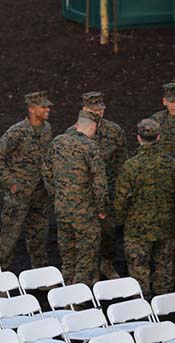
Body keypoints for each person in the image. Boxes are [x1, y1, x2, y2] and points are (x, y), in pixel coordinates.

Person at [113, 118, 175, 298]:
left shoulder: (130, 166)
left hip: (137, 228)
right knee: (165, 266)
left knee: (138, 267)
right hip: (165, 226)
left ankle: (142, 304)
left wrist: (118, 222)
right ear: (158, 137)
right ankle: (164, 303)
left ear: (138, 138)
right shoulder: (171, 163)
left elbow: (121, 199)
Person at [0, 91, 54, 270]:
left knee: (39, 235)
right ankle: (0, 276)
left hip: (40, 193)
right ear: (32, 109)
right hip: (19, 195)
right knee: (9, 237)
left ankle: (41, 273)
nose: (48, 110)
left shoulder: (47, 129)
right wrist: (11, 183)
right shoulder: (16, 132)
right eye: (44, 107)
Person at [43, 110, 107, 286]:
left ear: (77, 124)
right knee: (87, 252)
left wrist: (56, 195)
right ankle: (78, 295)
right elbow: (99, 183)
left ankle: (66, 288)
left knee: (67, 252)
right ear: (93, 127)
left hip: (62, 209)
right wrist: (102, 208)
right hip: (84, 211)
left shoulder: (57, 142)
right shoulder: (90, 147)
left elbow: (46, 171)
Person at [78, 92, 127, 280]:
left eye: (100, 109)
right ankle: (90, 271)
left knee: (108, 232)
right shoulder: (74, 134)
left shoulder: (114, 131)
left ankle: (107, 264)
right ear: (84, 110)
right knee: (87, 235)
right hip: (84, 195)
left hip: (108, 192)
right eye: (93, 110)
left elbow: (122, 160)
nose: (98, 113)